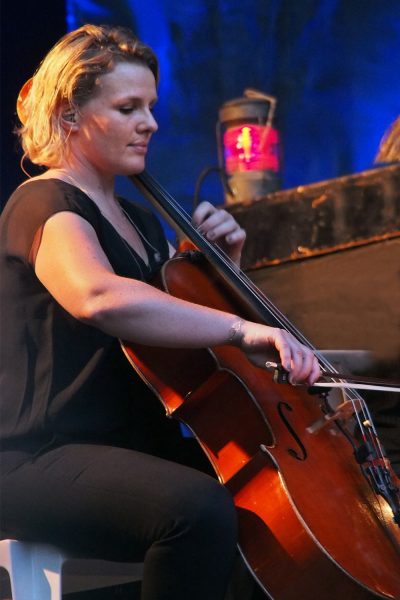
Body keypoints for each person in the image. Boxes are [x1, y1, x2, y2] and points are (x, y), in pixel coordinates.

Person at [0, 24, 321, 600]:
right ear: (70, 115)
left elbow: (181, 333)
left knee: (267, 507)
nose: (150, 123)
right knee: (195, 510)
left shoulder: (144, 221)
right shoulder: (45, 201)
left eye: (150, 106)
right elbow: (98, 296)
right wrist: (246, 327)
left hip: (126, 447)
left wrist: (220, 269)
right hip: (36, 456)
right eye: (128, 107)